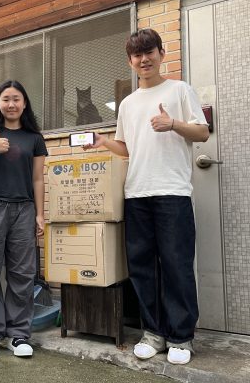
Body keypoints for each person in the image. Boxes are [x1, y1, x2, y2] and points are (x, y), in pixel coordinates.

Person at [84, 29, 209, 365]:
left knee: (176, 265)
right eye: (137, 55)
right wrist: (102, 141)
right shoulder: (127, 104)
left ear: (161, 53)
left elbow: (202, 132)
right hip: (136, 193)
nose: (144, 59)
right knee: (141, 267)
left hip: (173, 191)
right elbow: (127, 148)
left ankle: (181, 337)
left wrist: (173, 124)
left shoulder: (180, 90)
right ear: (130, 61)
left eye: (149, 52)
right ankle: (153, 333)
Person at [0, 80, 47, 358]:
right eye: (6, 99)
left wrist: (40, 213)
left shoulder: (34, 138)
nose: (11, 104)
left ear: (24, 103)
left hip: (24, 209)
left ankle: (18, 334)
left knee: (22, 272)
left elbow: (38, 179)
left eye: (16, 99)